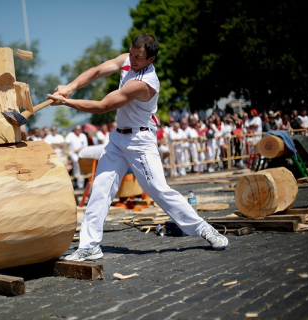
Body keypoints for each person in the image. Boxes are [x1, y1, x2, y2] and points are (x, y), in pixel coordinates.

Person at [48, 33, 227, 261]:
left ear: (150, 59)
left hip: (140, 142)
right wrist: (70, 87)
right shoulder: (127, 59)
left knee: (159, 191)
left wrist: (66, 102)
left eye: (138, 57)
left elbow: (104, 106)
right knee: (100, 189)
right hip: (117, 140)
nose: (132, 60)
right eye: (131, 54)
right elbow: (96, 71)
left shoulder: (145, 84)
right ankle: (89, 245)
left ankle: (204, 229)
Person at [65, 125, 88, 189]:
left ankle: (81, 183)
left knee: (82, 165)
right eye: (77, 129)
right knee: (76, 161)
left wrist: (79, 150)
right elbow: (66, 143)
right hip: (73, 154)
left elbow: (85, 146)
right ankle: (77, 179)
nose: (78, 130)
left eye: (79, 129)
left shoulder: (83, 136)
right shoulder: (71, 135)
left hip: (82, 154)